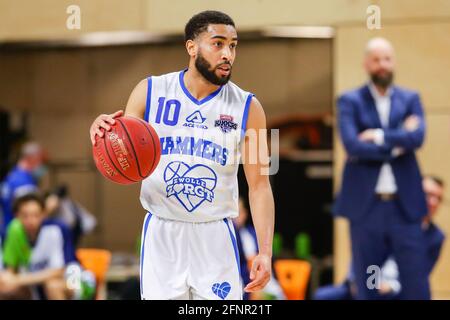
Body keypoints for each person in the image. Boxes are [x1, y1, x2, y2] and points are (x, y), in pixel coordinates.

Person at [89, 11, 275, 300]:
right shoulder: (150, 91)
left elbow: (260, 186)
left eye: (233, 45)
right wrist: (101, 132)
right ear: (191, 47)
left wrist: (265, 250)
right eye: (218, 44)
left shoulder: (249, 108)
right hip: (162, 230)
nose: (227, 53)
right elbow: (119, 146)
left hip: (215, 234)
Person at [333, 37, 429, 299]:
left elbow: (417, 138)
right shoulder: (349, 100)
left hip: (404, 206)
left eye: (387, 59)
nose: (382, 65)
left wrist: (376, 135)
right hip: (367, 208)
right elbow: (353, 145)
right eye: (376, 60)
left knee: (416, 282)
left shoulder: (410, 98)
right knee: (369, 282)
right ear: (366, 64)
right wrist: (398, 144)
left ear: (394, 62)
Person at [316, 175, 446, 300]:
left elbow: (420, 275)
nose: (432, 201)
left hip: (399, 289)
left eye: (438, 198)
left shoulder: (436, 237)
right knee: (322, 295)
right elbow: (367, 255)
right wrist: (372, 284)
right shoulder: (390, 220)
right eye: (428, 194)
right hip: (370, 281)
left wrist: (390, 287)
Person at [0, 194, 72, 299]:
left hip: (68, 280)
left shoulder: (53, 231)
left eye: (35, 215)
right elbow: (11, 271)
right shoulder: (14, 233)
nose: (31, 221)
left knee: (52, 286)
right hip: (32, 285)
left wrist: (19, 279)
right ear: (16, 216)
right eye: (25, 216)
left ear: (43, 214)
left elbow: (58, 271)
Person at [233, 197, 285, 300]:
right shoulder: (228, 236)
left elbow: (268, 258)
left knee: (277, 294)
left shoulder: (254, 233)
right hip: (242, 277)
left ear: (245, 214)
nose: (235, 217)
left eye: (238, 213)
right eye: (233, 213)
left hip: (261, 273)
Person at [0, 142, 47, 232]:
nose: (41, 165)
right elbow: (30, 214)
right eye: (40, 160)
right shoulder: (23, 181)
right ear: (32, 158)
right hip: (18, 232)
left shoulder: (11, 175)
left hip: (7, 229)